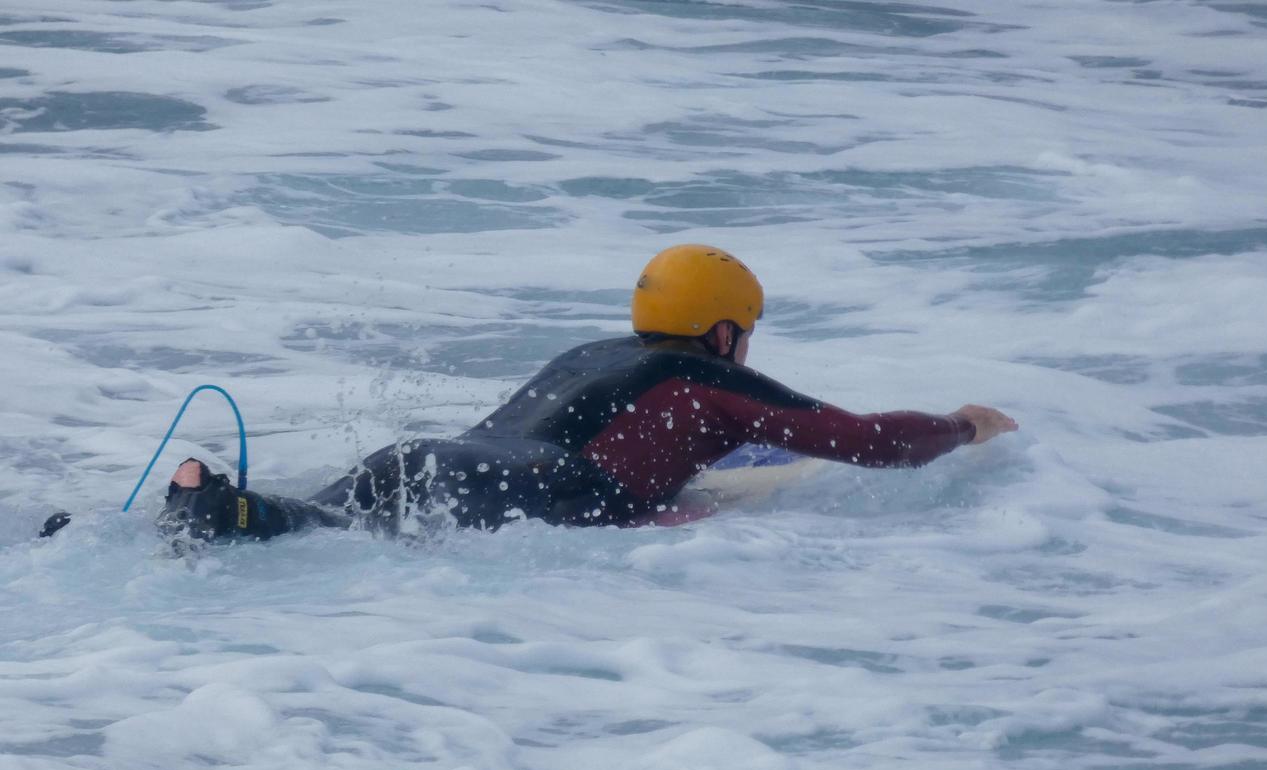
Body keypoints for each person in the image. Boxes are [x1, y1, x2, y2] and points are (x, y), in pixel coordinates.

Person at [154, 244, 1018, 542]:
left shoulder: (595, 354)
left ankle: (209, 507)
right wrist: (962, 425)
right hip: (529, 483)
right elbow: (870, 442)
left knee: (319, 521)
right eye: (745, 333)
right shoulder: (708, 378)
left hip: (430, 455)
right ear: (724, 333)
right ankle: (223, 513)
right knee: (327, 536)